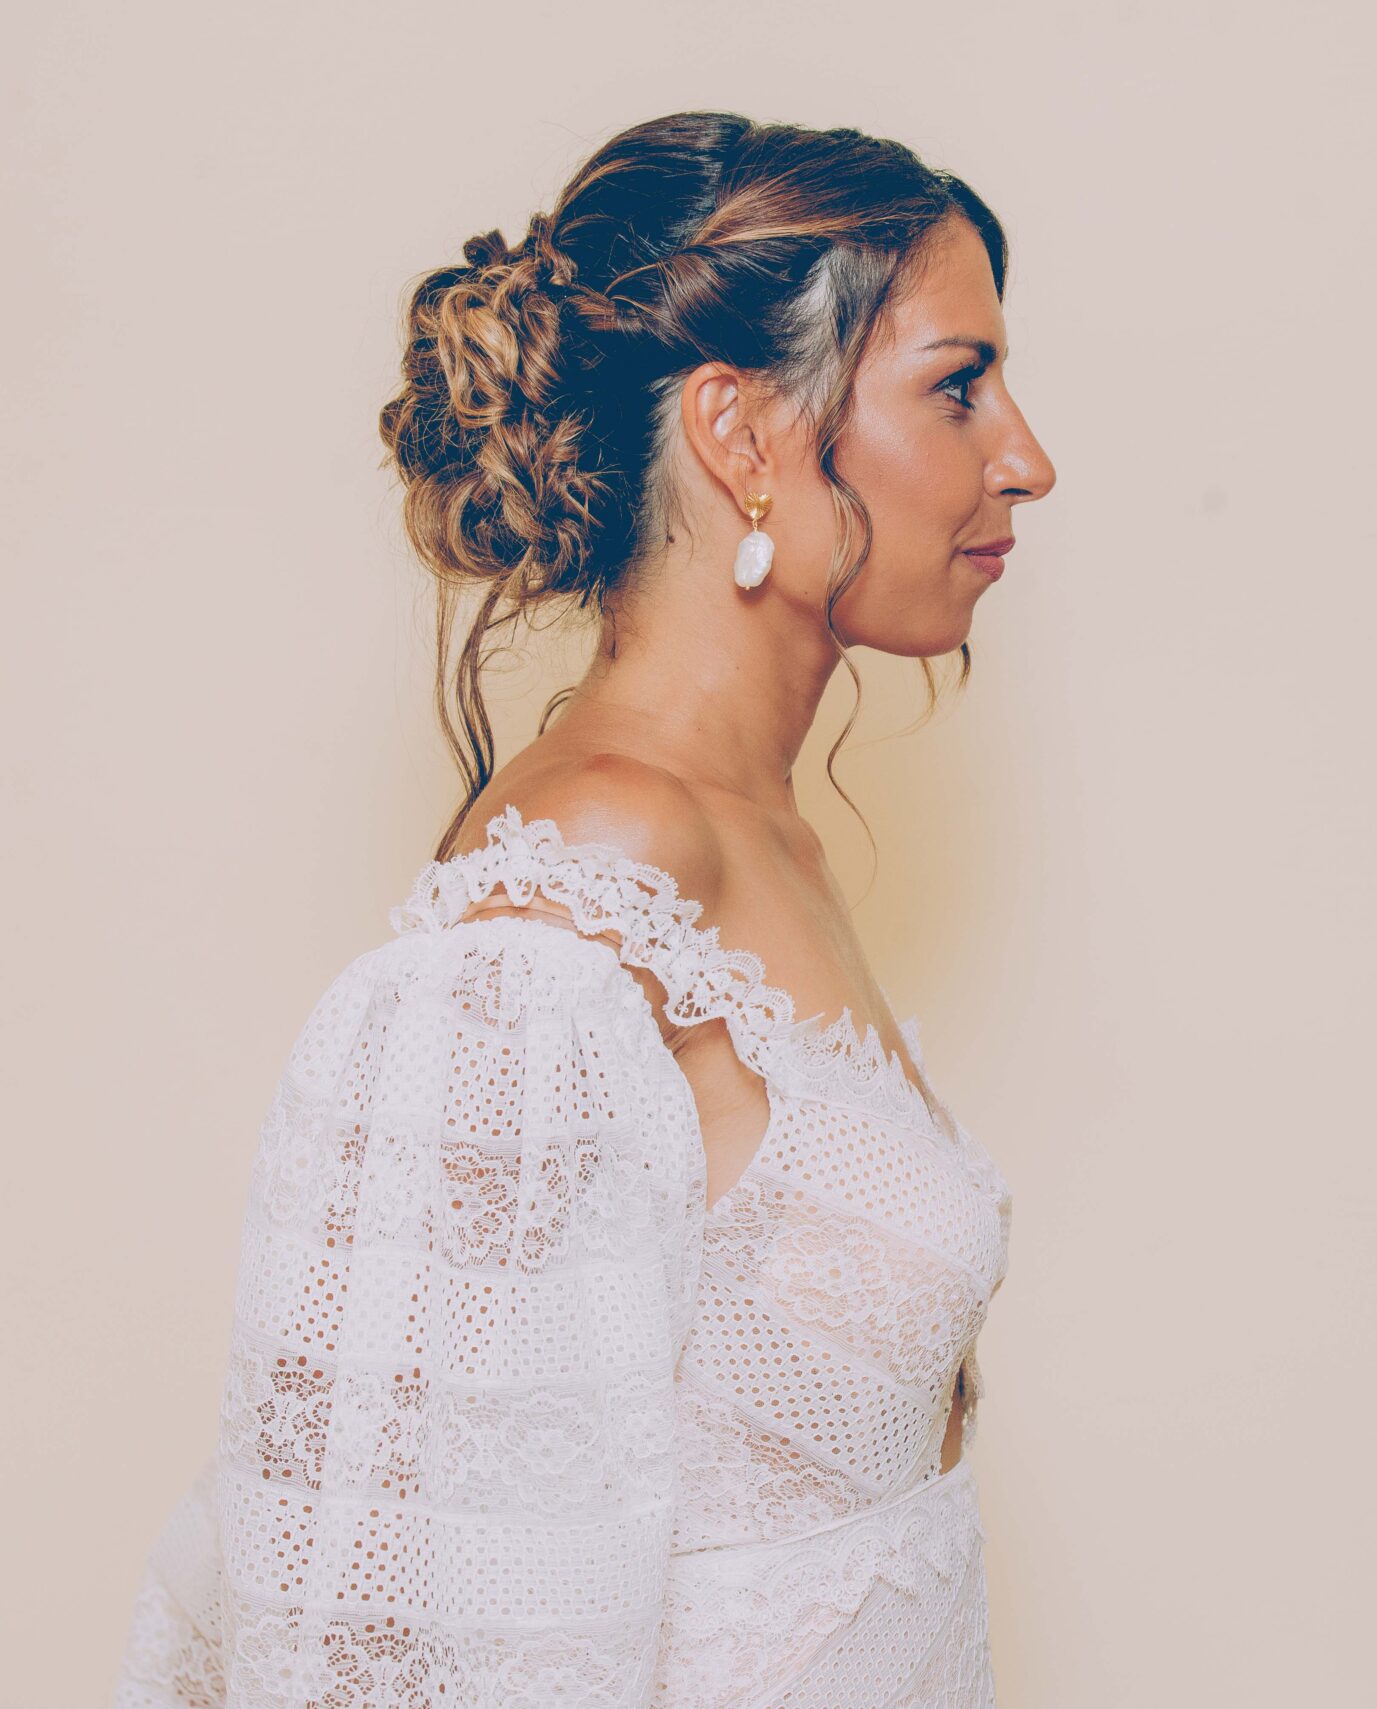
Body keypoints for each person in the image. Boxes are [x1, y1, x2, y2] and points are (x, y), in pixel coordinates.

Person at [110, 109, 1057, 1708]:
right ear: (740, 435)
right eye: (957, 386)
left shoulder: (762, 838)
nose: (1025, 456)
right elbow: (409, 1631)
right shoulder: (581, 893)